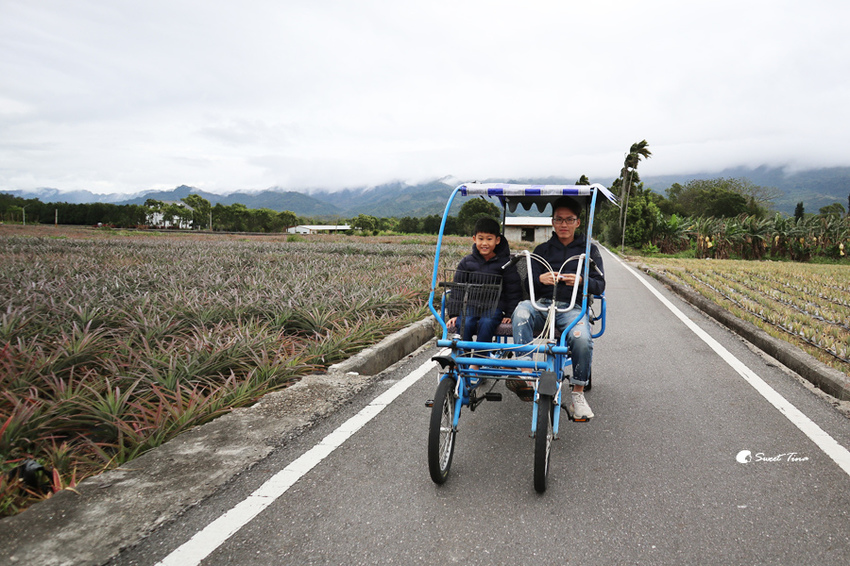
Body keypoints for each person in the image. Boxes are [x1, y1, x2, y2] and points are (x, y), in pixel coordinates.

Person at [510, 196, 604, 419]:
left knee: (582, 338)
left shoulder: (589, 251)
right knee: (521, 312)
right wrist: (540, 279)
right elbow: (527, 283)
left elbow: (600, 285)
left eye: (569, 220)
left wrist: (581, 281)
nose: (563, 224)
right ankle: (526, 374)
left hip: (572, 308)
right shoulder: (541, 250)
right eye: (559, 219)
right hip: (540, 306)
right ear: (552, 222)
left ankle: (578, 394)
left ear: (577, 222)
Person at [447, 217, 522, 346]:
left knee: (487, 323)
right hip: (471, 306)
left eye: (489, 239)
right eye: (481, 239)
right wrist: (454, 314)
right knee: (465, 322)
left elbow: (513, 290)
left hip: (495, 307)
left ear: (497, 240)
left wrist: (510, 313)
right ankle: (465, 356)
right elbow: (457, 289)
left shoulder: (506, 263)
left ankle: (480, 357)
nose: (484, 243)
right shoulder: (467, 262)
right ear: (474, 239)